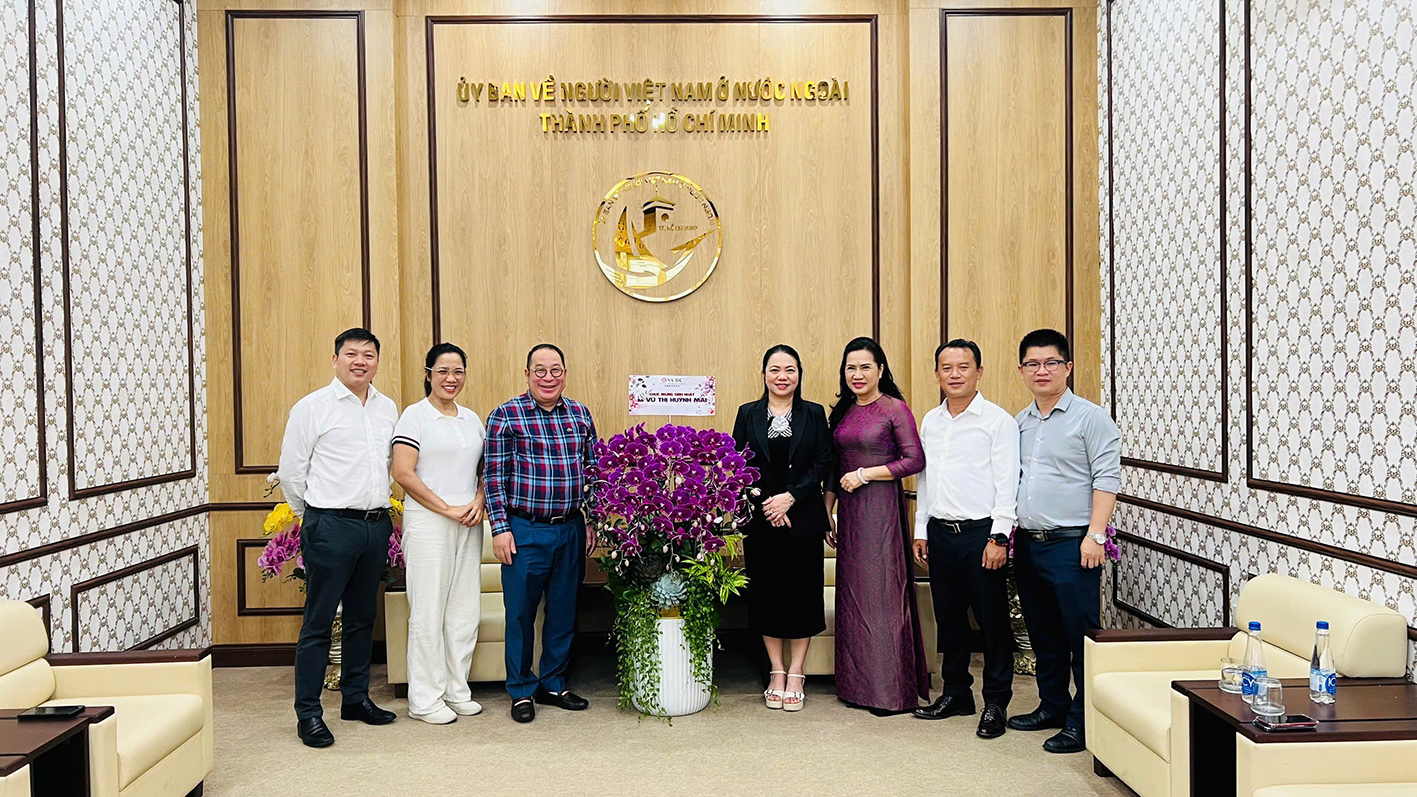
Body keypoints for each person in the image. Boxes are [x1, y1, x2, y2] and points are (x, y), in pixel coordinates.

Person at [277, 327, 399, 748]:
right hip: (330, 525)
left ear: (377, 362)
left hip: (375, 524)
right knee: (319, 622)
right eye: (351, 354)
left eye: (368, 355)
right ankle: (308, 713)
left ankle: (355, 699)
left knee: (363, 618)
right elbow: (291, 472)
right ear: (335, 360)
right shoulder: (312, 407)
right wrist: (312, 518)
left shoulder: (387, 408)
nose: (360, 361)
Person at [1006, 328, 1121, 754]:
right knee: (1044, 634)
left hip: (1074, 545)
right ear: (1021, 371)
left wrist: (1095, 536)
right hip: (1029, 544)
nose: (1042, 371)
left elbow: (1107, 479)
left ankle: (1083, 720)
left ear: (1068, 367)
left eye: (1051, 362)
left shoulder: (1091, 418)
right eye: (1033, 364)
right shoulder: (1019, 422)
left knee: (1080, 636)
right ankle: (1052, 706)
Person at [910, 339, 1021, 739]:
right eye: (947, 368)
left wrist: (999, 537)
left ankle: (996, 703)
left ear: (979, 372)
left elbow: (1008, 484)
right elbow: (925, 480)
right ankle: (957, 693)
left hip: (982, 535)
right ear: (937, 373)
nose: (954, 375)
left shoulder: (998, 422)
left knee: (992, 623)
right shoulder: (931, 421)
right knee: (949, 619)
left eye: (963, 367)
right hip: (941, 534)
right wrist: (921, 529)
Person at [484, 343, 598, 723]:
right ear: (527, 374)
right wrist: (500, 529)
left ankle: (553, 683)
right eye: (540, 370)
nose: (548, 378)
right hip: (524, 530)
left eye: (556, 370)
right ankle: (521, 690)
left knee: (564, 611)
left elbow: (594, 471)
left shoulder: (580, 414)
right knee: (520, 614)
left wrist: (593, 520)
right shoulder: (505, 415)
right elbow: (493, 478)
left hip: (570, 528)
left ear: (564, 373)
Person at [826, 336, 928, 716]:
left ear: (880, 370)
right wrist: (828, 510)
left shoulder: (894, 408)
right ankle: (855, 687)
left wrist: (866, 474)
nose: (858, 374)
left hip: (881, 511)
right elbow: (834, 467)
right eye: (851, 367)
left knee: (883, 594)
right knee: (853, 597)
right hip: (850, 513)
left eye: (865, 366)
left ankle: (888, 692)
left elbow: (914, 460)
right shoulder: (843, 411)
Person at [731, 344, 835, 712]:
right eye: (775, 369)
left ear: (799, 375)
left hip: (802, 518)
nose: (782, 376)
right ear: (764, 375)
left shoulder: (813, 413)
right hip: (762, 519)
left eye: (789, 370)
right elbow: (738, 464)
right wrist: (768, 504)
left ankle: (796, 671)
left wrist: (790, 498)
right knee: (766, 595)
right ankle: (776, 671)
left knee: (802, 595)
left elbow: (823, 462)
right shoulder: (747, 413)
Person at [391, 343, 487, 725]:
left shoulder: (472, 419)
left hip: (469, 522)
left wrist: (479, 500)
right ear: (428, 373)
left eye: (458, 371)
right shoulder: (414, 417)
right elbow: (403, 473)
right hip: (430, 524)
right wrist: (446, 508)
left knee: (464, 611)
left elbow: (486, 469)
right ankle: (424, 699)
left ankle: (455, 690)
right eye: (443, 371)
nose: (451, 378)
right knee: (428, 612)